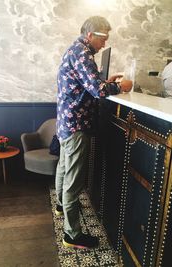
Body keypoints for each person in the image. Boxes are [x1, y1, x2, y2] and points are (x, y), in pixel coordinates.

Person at [55, 16, 132, 249]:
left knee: (64, 166)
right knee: (73, 180)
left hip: (66, 123)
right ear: (91, 35)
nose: (104, 44)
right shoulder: (83, 53)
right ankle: (72, 235)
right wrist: (120, 87)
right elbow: (98, 91)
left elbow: (88, 85)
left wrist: (104, 81)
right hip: (76, 125)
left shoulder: (75, 50)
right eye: (103, 39)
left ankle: (61, 206)